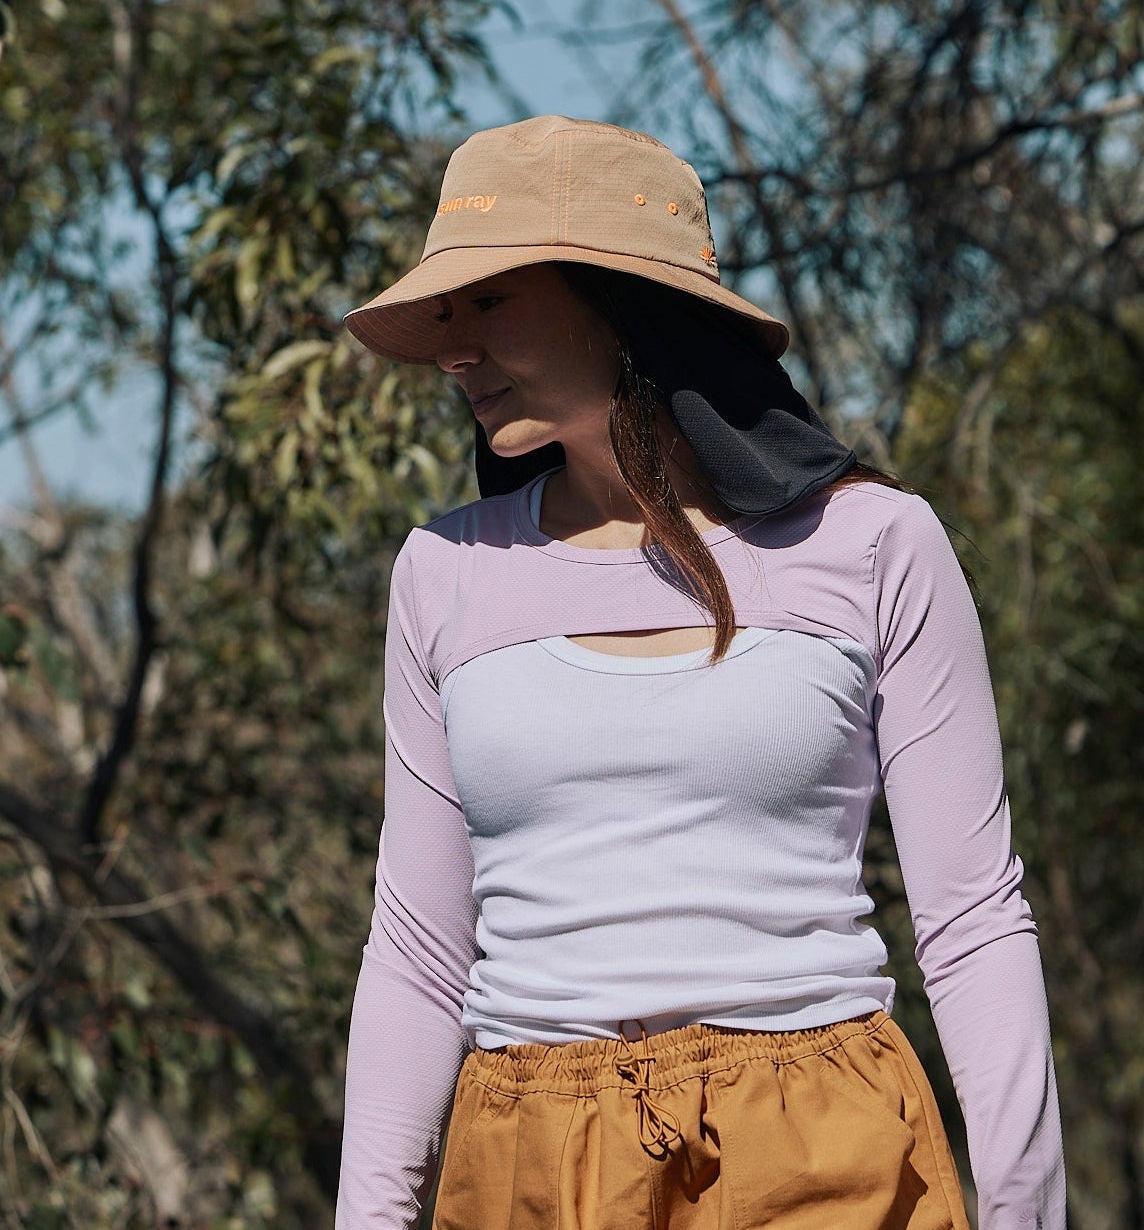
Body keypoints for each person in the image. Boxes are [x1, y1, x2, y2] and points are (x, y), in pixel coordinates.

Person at [334, 114, 1066, 1230]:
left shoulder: (873, 543)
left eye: (489, 301)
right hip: (529, 1158)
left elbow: (971, 917)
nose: (453, 349)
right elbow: (419, 950)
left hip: (821, 1142)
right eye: (443, 314)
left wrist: (1025, 1210)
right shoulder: (444, 573)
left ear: (620, 302)